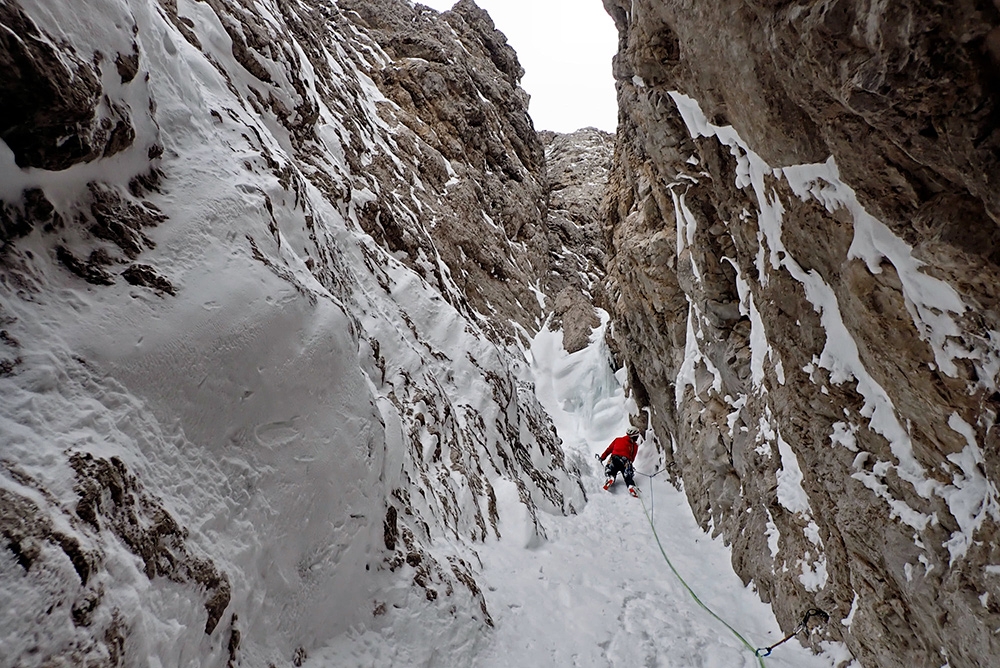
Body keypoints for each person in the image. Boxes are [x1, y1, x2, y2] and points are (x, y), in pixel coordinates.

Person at [598, 426, 641, 496]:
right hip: (626, 461)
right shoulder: (634, 446)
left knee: (611, 469)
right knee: (628, 475)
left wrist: (602, 458)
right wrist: (629, 466)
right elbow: (632, 458)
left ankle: (610, 477)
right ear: (634, 436)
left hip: (614, 458)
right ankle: (631, 486)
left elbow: (609, 450)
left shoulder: (617, 440)